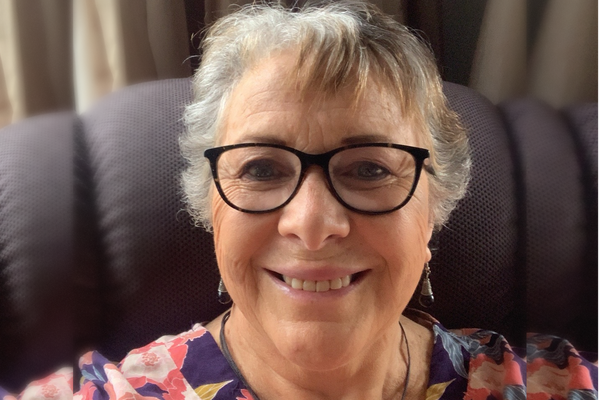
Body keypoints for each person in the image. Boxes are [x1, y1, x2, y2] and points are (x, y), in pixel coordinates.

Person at [2, 1, 597, 400]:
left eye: (369, 168)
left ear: (433, 211)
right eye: (261, 168)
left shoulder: (551, 385)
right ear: (211, 208)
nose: (312, 224)